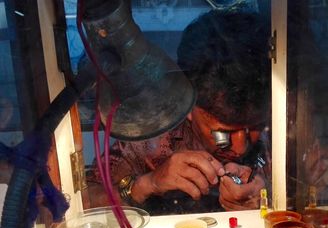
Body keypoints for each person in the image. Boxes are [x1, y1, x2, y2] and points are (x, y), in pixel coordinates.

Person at [87, 9, 272, 215]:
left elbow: (311, 195)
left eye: (254, 127)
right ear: (189, 107)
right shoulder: (152, 133)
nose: (239, 148)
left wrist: (270, 197)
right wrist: (147, 184)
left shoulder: (282, 130)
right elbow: (86, 199)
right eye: (223, 133)